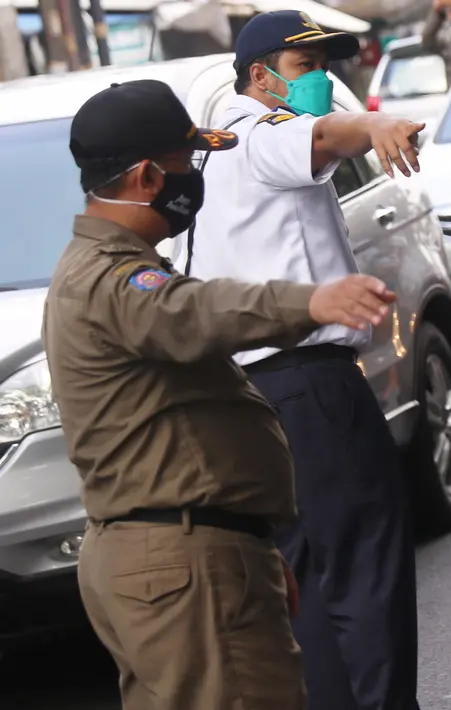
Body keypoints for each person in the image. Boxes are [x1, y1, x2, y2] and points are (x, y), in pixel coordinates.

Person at [46, 79, 400, 710]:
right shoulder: (115, 279)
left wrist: (246, 545)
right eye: (186, 165)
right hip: (180, 560)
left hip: (190, 553)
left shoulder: (96, 268)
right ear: (149, 177)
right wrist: (309, 300)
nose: (194, 180)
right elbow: (198, 311)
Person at [185, 11, 425, 710]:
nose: (321, 78)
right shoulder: (259, 129)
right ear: (259, 77)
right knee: (365, 570)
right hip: (304, 386)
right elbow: (318, 135)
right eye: (302, 67)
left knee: (307, 584)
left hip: (245, 395)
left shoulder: (210, 143)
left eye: (326, 64)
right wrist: (375, 127)